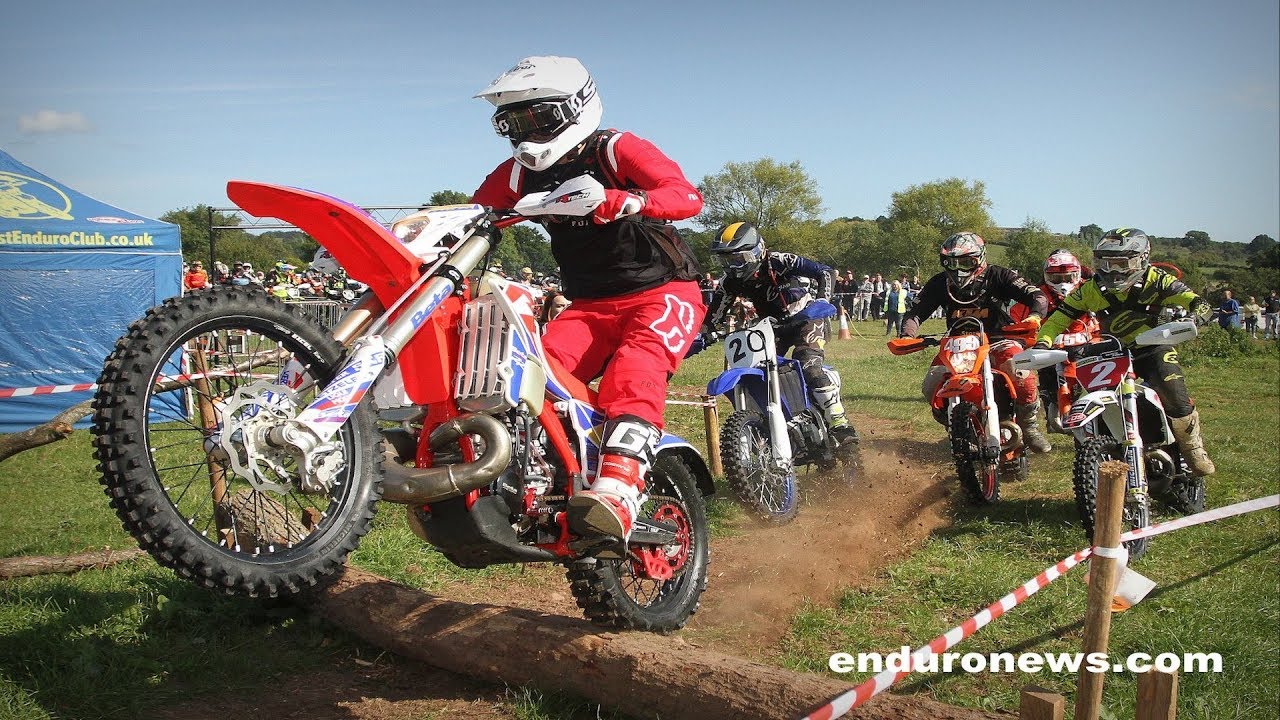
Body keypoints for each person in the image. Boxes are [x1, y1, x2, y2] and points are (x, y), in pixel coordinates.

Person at [469, 55, 705, 544]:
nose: (526, 133)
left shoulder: (614, 149)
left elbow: (685, 196)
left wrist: (632, 200)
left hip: (661, 292)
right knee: (533, 370)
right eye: (513, 122)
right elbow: (473, 213)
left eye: (537, 118)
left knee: (634, 370)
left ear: (575, 107)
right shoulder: (517, 174)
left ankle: (620, 486)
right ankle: (551, 472)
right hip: (588, 305)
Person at [1034, 228, 1215, 476]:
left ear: (1140, 259)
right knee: (1086, 395)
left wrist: (1196, 317)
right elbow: (1059, 318)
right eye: (1104, 263)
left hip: (1153, 347)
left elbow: (1198, 302)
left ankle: (1193, 448)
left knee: (1174, 394)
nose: (1111, 271)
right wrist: (1043, 341)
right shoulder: (1092, 288)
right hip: (1111, 351)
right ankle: (1096, 454)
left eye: (1120, 263)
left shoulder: (1158, 280)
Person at [701, 222, 859, 448]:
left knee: (809, 366)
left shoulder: (780, 261)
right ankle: (780, 420)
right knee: (758, 370)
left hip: (807, 318)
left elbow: (824, 271)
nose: (732, 267)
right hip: (771, 327)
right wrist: (703, 335)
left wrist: (823, 300)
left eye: (737, 259)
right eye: (725, 261)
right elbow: (714, 314)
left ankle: (839, 422)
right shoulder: (731, 281)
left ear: (756, 252)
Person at [899, 231, 1053, 453]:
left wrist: (1034, 316)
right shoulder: (939, 282)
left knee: (1023, 375)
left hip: (1000, 338)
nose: (959, 268)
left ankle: (1029, 428)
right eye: (951, 262)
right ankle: (958, 427)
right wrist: (907, 335)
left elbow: (1037, 296)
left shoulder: (999, 275)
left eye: (966, 261)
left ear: (980, 257)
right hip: (958, 343)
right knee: (931, 384)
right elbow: (916, 311)